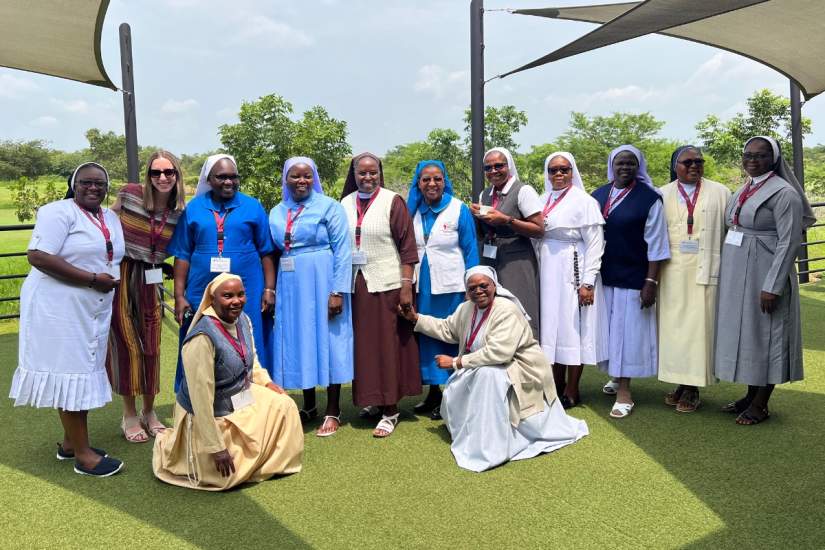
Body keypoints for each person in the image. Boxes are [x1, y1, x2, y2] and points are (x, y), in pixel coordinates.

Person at [398, 266, 588, 472]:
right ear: (467, 292)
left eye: (483, 285)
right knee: (477, 376)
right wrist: (415, 319)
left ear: (494, 285)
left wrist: (456, 362)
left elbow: (500, 354)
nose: (478, 291)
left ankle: (492, 442)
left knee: (488, 377)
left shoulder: (506, 309)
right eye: (472, 288)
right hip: (484, 364)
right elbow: (447, 329)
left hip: (520, 366)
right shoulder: (466, 308)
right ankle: (477, 432)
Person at [10, 162, 126, 477]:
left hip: (92, 309)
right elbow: (37, 256)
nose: (94, 188)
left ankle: (70, 443)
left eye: (100, 183)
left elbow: (113, 254)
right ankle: (84, 457)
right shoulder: (57, 213)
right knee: (70, 373)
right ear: (73, 184)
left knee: (82, 372)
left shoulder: (109, 217)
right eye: (86, 182)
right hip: (57, 309)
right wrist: (91, 279)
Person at [153, 273, 303, 490]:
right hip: (209, 414)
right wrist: (215, 448)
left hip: (239, 397)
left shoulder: (243, 320)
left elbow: (252, 360)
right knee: (227, 478)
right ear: (212, 299)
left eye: (240, 294)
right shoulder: (201, 339)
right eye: (228, 296)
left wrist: (267, 383)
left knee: (283, 404)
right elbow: (201, 399)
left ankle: (265, 462)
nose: (236, 301)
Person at [714, 136, 815, 425]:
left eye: (760, 155)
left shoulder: (784, 193)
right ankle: (750, 394)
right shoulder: (745, 187)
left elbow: (789, 242)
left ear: (773, 159)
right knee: (750, 335)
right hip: (739, 273)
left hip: (766, 273)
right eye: (748, 155)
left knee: (768, 333)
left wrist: (772, 285)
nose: (753, 160)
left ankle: (762, 402)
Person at [167, 154, 276, 390]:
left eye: (233, 177)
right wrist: (178, 296)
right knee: (199, 339)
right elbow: (183, 254)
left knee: (250, 339)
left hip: (246, 287)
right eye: (222, 177)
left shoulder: (252, 206)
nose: (229, 182)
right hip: (200, 290)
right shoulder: (194, 208)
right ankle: (195, 399)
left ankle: (254, 395)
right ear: (209, 179)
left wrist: (269, 288)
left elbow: (266, 251)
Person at [269, 157, 353, 437]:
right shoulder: (277, 211)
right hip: (291, 282)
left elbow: (342, 251)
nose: (301, 181)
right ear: (286, 179)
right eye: (294, 176)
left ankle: (332, 408)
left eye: (306, 176)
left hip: (323, 277)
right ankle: (308, 405)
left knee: (328, 339)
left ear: (314, 178)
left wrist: (337, 291)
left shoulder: (330, 206)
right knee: (299, 338)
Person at [340, 152, 421, 437]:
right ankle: (372, 399)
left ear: (379, 173)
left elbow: (408, 248)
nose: (367, 177)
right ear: (354, 174)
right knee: (364, 346)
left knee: (387, 345)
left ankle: (390, 408)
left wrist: (406, 286)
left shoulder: (392, 201)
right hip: (356, 284)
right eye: (362, 173)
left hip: (387, 284)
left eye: (373, 172)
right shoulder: (344, 204)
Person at [106, 150, 185, 443]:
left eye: (169, 172)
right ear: (148, 175)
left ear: (177, 175)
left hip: (151, 276)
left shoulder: (179, 212)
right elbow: (106, 220)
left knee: (151, 345)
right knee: (126, 343)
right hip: (122, 273)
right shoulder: (129, 195)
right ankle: (128, 414)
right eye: (156, 172)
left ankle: (149, 412)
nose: (162, 178)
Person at [591, 145, 670, 418]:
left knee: (628, 333)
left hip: (634, 276)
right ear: (611, 165)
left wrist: (651, 281)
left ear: (639, 167)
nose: (625, 168)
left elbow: (657, 244)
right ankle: (615, 376)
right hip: (604, 276)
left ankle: (625, 390)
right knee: (610, 331)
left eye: (631, 163)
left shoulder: (650, 198)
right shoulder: (598, 195)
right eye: (620, 163)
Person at [657, 146, 730, 413]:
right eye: (687, 162)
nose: (694, 166)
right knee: (674, 331)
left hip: (705, 270)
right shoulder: (661, 194)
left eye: (699, 161)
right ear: (675, 165)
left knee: (698, 331)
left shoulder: (720, 192)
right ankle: (679, 382)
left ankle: (693, 388)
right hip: (671, 272)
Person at [406, 160, 479, 420]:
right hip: (422, 283)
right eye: (426, 179)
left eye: (437, 178)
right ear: (418, 183)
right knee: (426, 335)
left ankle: (453, 394)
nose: (432, 184)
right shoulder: (412, 209)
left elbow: (470, 247)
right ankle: (434, 392)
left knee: (451, 335)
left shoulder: (458, 208)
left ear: (444, 180)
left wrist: (472, 281)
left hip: (452, 284)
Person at [537, 152, 607, 409]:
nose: (558, 174)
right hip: (546, 270)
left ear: (572, 171)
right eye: (553, 170)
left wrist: (588, 282)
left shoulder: (584, 201)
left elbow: (596, 244)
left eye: (564, 170)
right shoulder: (542, 199)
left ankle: (572, 388)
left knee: (572, 327)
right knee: (551, 327)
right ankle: (554, 385)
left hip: (571, 267)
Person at [470, 147, 544, 337]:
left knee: (520, 308)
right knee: (494, 310)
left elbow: (539, 229)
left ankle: (527, 358)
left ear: (508, 166)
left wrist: (507, 220)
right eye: (488, 168)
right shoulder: (485, 194)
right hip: (491, 257)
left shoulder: (523, 191)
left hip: (517, 258)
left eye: (499, 166)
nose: (493, 171)